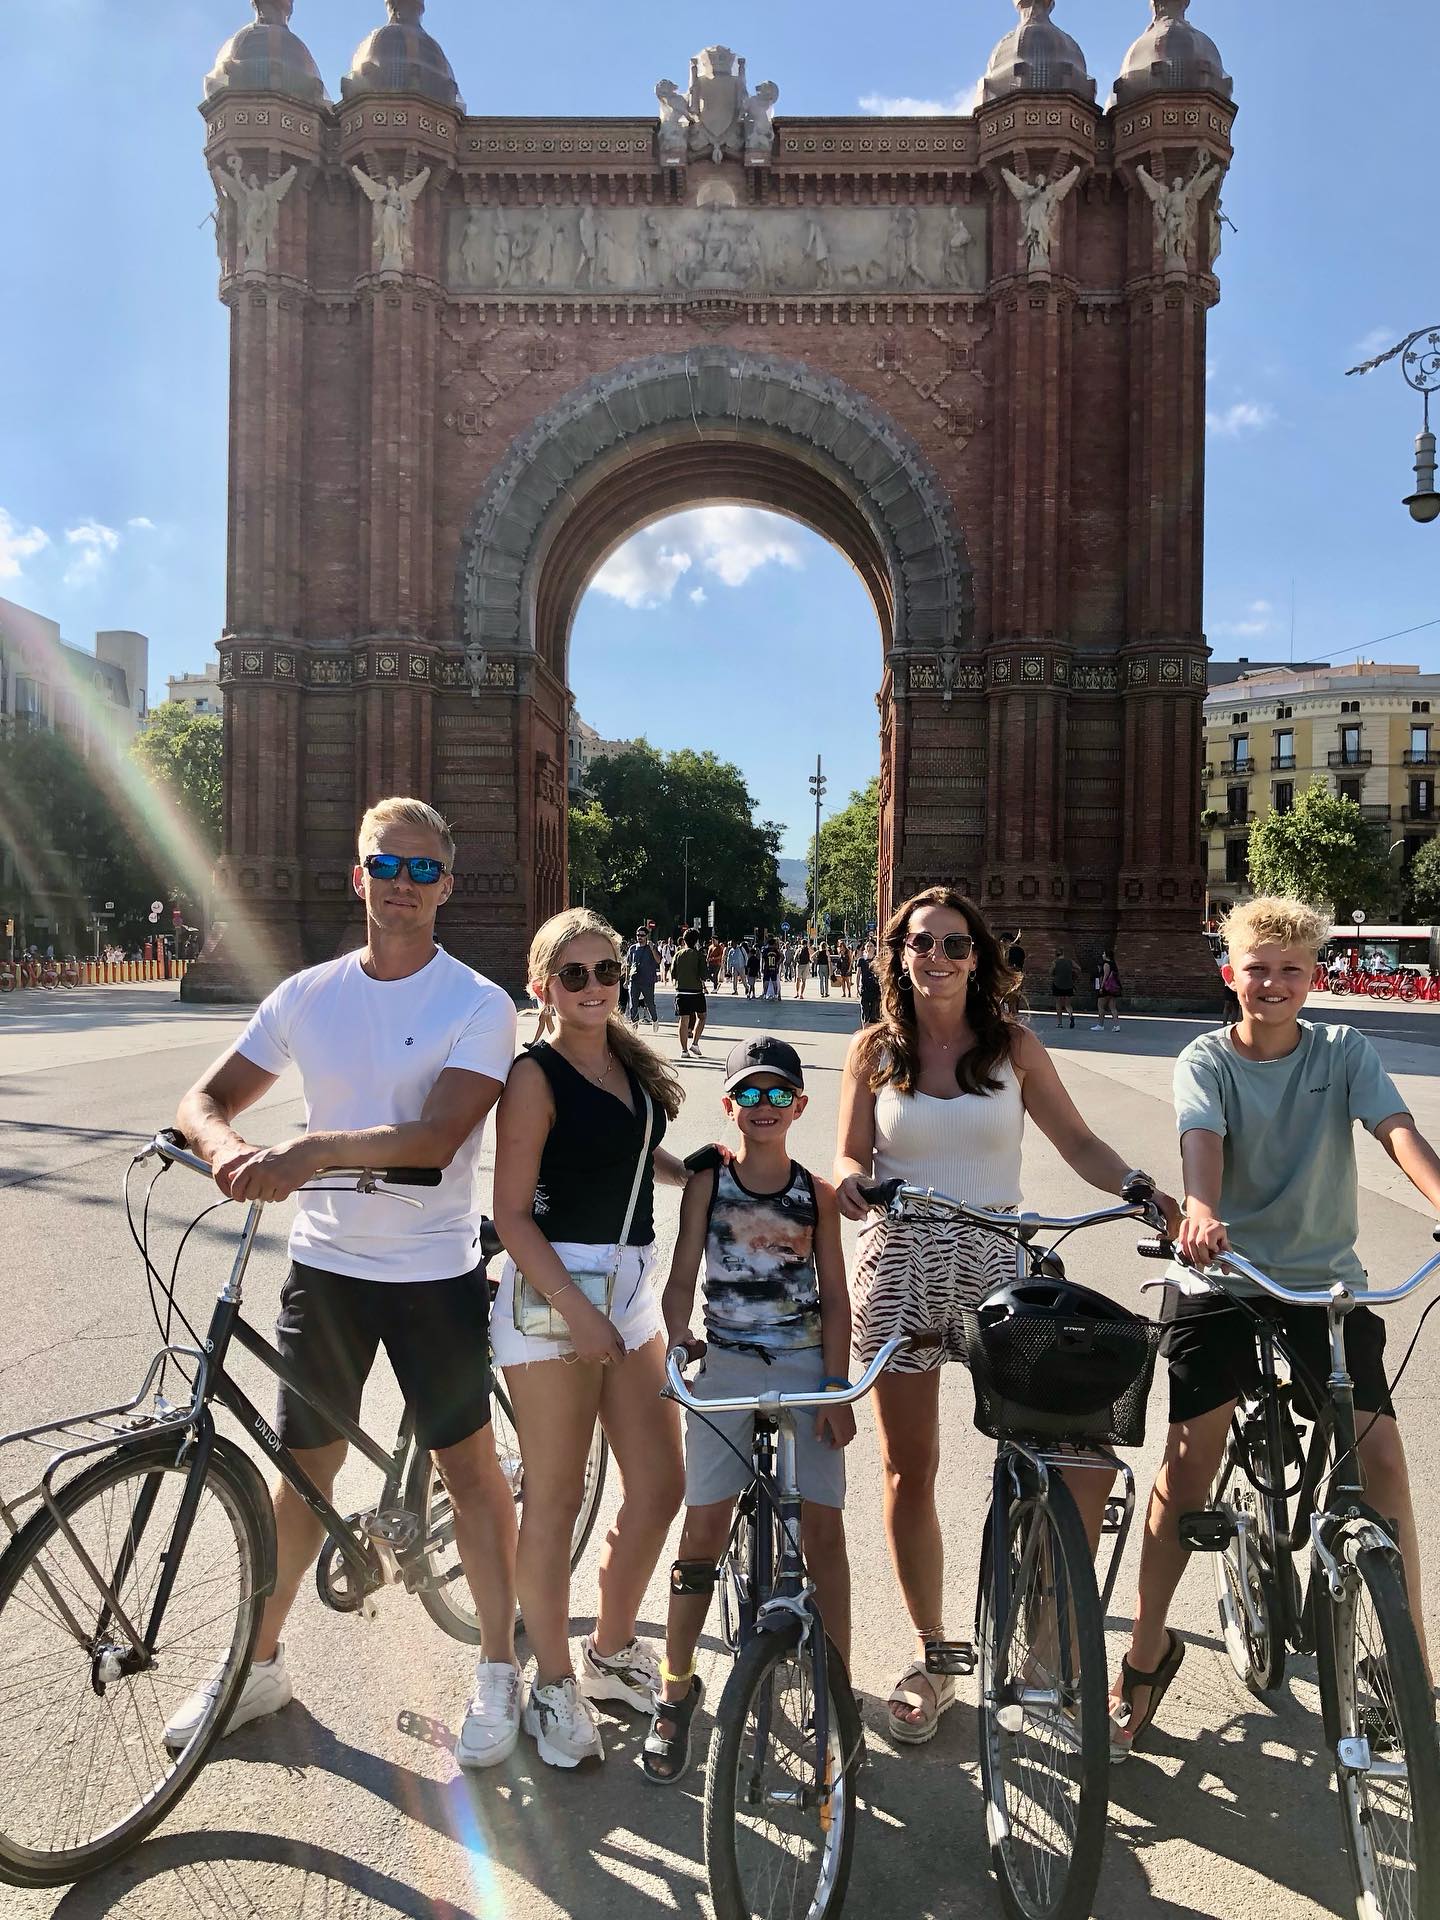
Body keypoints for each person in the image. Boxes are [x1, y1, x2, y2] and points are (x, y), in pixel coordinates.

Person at [169, 797, 523, 1766]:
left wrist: (312, 1147)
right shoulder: (307, 994)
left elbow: (441, 1133)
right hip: (324, 1267)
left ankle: (498, 1667)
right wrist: (228, 1146)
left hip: (430, 1271)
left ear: (445, 885)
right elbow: (205, 1099)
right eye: (386, 866)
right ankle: (259, 1662)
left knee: (472, 1473)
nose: (403, 885)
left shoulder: (478, 1003)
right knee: (303, 1475)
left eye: (422, 871)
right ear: (358, 875)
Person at [833, 886, 1179, 1744]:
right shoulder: (874, 1050)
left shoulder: (1015, 1046)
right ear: (899, 955)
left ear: (979, 958)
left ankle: (1045, 1654)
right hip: (904, 1264)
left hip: (999, 1262)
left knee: (1068, 1452)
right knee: (910, 1467)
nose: (938, 959)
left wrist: (1138, 1188)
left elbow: (1079, 1142)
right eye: (923, 944)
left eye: (956, 946)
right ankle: (939, 1654)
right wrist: (849, 1182)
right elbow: (849, 1151)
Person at [1110, 896, 1440, 1757]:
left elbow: (1395, 1129)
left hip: (1322, 1283)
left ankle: (1401, 1664)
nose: (1273, 982)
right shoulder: (1207, 1058)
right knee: (1189, 1466)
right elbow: (1199, 1140)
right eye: (1256, 967)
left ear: (1313, 976)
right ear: (1231, 973)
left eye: (1291, 969)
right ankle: (1146, 1653)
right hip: (1222, 1273)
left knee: (1379, 1458)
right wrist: (1203, 1211)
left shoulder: (1344, 1051)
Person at [491, 908, 690, 1768]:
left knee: (659, 1481)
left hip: (630, 1287)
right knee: (558, 1496)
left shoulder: (625, 1062)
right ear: (543, 988)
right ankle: (554, 1685)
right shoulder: (534, 1074)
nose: (594, 987)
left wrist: (703, 1169)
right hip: (554, 1294)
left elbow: (633, 1156)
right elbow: (508, 1215)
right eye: (573, 975)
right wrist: (576, 1309)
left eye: (606, 971)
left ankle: (610, 1650)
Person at [645, 1037, 855, 1781]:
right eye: (750, 1095)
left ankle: (837, 1695)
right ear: (729, 1105)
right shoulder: (709, 1182)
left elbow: (835, 1295)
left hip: (801, 1365)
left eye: (778, 1095)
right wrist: (678, 1336)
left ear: (798, 1106)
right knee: (702, 1526)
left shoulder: (818, 1193)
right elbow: (681, 1276)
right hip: (729, 1362)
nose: (764, 1108)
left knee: (823, 1532)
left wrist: (836, 1385)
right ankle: (675, 1690)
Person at [672, 926, 709, 1057]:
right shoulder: (699, 955)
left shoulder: (678, 954)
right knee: (702, 1016)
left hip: (681, 991)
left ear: (684, 940)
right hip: (696, 992)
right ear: (697, 941)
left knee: (683, 1020)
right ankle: (695, 1043)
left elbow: (673, 973)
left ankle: (684, 1050)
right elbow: (704, 975)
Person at [624, 927, 660, 1030]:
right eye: (638, 935)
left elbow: (658, 960)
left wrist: (653, 948)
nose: (639, 937)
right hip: (634, 980)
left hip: (647, 981)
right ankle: (634, 1026)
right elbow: (628, 965)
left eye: (642, 935)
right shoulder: (632, 948)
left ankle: (655, 1019)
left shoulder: (651, 948)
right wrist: (627, 980)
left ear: (647, 936)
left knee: (650, 1003)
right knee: (633, 1005)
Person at [1093, 950, 1122, 1032]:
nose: (1103, 955)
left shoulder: (1106, 964)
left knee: (1100, 1006)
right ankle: (1117, 1025)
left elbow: (1105, 976)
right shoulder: (1114, 964)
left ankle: (1100, 1025)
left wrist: (1101, 987)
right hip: (1113, 988)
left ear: (1107, 955)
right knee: (1113, 1007)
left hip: (1106, 988)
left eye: (1104, 953)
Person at [857, 937, 881, 1026]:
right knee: (865, 1011)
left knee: (874, 1013)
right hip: (865, 988)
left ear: (875, 948)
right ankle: (864, 1030)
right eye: (867, 946)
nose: (869, 948)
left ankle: (872, 1033)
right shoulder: (861, 960)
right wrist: (858, 987)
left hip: (875, 989)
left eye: (871, 946)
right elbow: (858, 974)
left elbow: (880, 974)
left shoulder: (877, 960)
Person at [1050, 947, 1076, 1029]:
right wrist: (1073, 976)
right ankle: (1071, 1015)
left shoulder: (1055, 962)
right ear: (1063, 953)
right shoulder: (1070, 961)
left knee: (1058, 1004)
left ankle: (1059, 1023)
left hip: (1058, 984)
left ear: (1056, 955)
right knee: (1067, 1004)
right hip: (1069, 984)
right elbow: (1079, 968)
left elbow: (1050, 972)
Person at [760, 933, 782, 1001]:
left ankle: (764, 994)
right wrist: (777, 964)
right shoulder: (776, 951)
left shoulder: (765, 950)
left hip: (767, 967)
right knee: (774, 982)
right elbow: (780, 958)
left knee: (766, 982)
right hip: (774, 968)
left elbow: (763, 960)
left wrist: (762, 967)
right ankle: (776, 995)